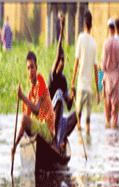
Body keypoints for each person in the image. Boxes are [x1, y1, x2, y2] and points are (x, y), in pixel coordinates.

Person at [11, 52, 57, 163]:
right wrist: (15, 146)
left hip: (47, 130)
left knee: (25, 118)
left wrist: (22, 97)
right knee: (24, 119)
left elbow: (36, 109)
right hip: (38, 129)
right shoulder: (30, 94)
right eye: (28, 68)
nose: (31, 71)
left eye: (32, 67)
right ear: (26, 71)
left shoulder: (40, 81)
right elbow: (23, 125)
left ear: (36, 68)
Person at [49, 14, 78, 153]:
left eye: (63, 60)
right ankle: (55, 139)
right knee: (59, 94)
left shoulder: (64, 80)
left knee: (77, 114)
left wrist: (73, 95)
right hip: (50, 116)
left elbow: (68, 105)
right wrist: (62, 29)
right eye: (59, 59)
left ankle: (62, 137)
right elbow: (57, 51)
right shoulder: (53, 74)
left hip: (59, 121)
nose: (61, 62)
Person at [71, 10, 100, 134]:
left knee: (78, 122)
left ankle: (79, 149)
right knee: (88, 124)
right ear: (91, 26)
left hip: (80, 87)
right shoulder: (94, 44)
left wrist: (72, 82)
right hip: (89, 89)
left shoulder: (80, 39)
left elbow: (76, 63)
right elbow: (96, 70)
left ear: (84, 25)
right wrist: (98, 92)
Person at [99, 18, 119, 129]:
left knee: (107, 109)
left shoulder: (105, 44)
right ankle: (114, 131)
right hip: (115, 79)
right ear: (114, 29)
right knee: (115, 112)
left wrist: (99, 66)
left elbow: (103, 66)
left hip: (107, 79)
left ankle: (108, 132)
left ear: (108, 29)